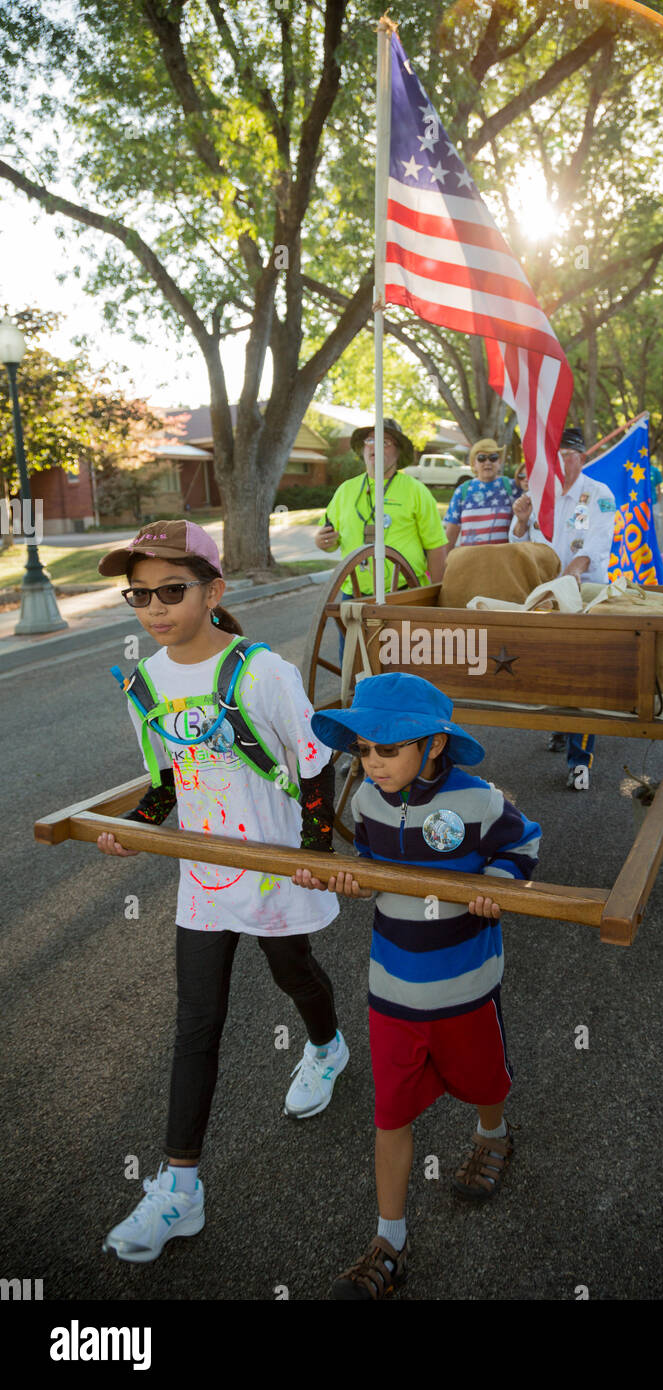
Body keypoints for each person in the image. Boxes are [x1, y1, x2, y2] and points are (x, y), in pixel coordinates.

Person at [94, 521, 346, 1263]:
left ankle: (328, 1047)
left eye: (172, 590)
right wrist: (135, 826)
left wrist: (316, 850)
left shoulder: (261, 672)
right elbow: (171, 779)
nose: (154, 608)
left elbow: (312, 761)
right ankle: (180, 1188)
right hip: (201, 877)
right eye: (139, 594)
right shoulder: (145, 684)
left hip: (271, 867)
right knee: (196, 1020)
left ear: (214, 590)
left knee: (293, 972)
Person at [293, 672, 541, 1300]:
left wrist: (502, 881)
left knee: (485, 1081)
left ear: (434, 745)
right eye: (365, 750)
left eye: (388, 749)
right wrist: (359, 881)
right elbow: (375, 871)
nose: (372, 764)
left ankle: (493, 1135)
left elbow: (525, 842)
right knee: (391, 1112)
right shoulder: (368, 802)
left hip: (465, 987)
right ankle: (389, 1238)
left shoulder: (480, 800)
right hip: (393, 989)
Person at [509, 425, 616, 790]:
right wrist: (521, 520)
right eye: (556, 455)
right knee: (548, 664)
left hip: (585, 591)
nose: (561, 461)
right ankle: (558, 724)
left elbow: (599, 542)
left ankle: (580, 759)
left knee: (583, 672)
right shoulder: (540, 495)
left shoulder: (598, 494)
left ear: (582, 458)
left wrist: (576, 568)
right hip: (547, 592)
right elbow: (521, 542)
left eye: (568, 455)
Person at [314, 417, 448, 594]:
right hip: (354, 595)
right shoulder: (345, 490)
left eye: (384, 442)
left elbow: (436, 547)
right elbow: (329, 541)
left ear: (398, 452)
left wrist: (438, 596)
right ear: (363, 449)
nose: (375, 446)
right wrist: (322, 541)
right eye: (370, 440)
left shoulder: (416, 490)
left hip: (405, 593)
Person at [444, 438, 517, 550]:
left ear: (499, 461)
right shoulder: (462, 490)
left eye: (493, 458)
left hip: (504, 563)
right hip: (470, 563)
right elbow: (450, 538)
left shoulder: (512, 487)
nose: (487, 462)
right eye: (481, 458)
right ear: (474, 463)